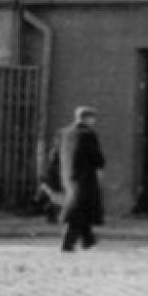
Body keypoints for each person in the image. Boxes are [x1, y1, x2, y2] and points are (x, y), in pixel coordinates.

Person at [59, 105, 105, 252]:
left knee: (81, 209)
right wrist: (101, 165)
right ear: (88, 119)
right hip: (85, 178)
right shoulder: (88, 134)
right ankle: (68, 243)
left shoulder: (66, 133)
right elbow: (97, 158)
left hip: (69, 176)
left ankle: (88, 240)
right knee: (78, 211)